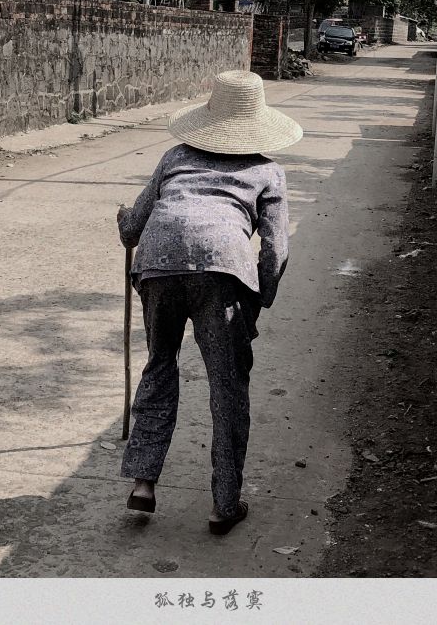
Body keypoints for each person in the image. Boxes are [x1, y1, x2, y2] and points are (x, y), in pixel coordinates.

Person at [116, 69, 303, 536]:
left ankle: (143, 482)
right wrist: (259, 302)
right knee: (227, 385)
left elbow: (132, 229)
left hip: (158, 265)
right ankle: (224, 503)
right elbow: (276, 251)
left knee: (160, 365)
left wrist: (123, 218)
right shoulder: (268, 171)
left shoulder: (175, 156)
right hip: (223, 273)